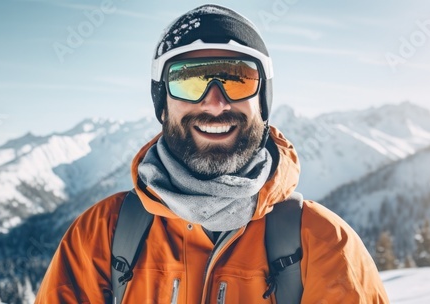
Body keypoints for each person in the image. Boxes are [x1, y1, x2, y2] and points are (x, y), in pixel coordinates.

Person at [35, 4, 389, 303]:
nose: (216, 102)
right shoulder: (101, 235)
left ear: (263, 103)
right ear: (162, 104)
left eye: (237, 78)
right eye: (189, 80)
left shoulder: (322, 243)